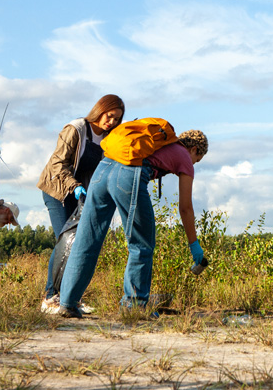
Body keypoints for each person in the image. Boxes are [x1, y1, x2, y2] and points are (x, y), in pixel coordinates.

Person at [57, 129, 209, 318]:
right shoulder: (184, 156)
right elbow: (185, 207)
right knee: (142, 243)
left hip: (103, 168)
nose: (194, 163)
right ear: (194, 149)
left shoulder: (157, 143)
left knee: (87, 239)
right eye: (198, 159)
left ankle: (67, 303)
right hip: (128, 174)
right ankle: (134, 307)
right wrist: (194, 244)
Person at [36, 94, 125, 313]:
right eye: (109, 116)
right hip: (57, 190)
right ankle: (50, 297)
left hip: (80, 195)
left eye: (117, 119)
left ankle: (69, 298)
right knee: (66, 242)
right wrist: (74, 185)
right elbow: (58, 164)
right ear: (100, 109)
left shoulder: (107, 139)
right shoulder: (75, 129)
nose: (111, 122)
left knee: (78, 245)